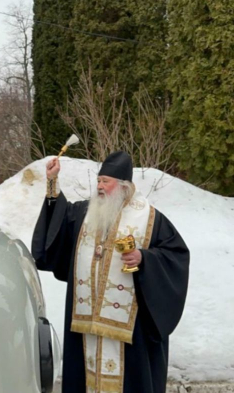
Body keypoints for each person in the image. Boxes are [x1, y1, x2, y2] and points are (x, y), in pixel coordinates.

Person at [32, 151, 189, 393]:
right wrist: (53, 183)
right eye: (98, 181)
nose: (100, 187)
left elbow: (175, 255)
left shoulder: (149, 218)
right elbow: (58, 227)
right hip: (86, 323)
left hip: (128, 327)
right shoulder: (86, 213)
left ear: (124, 187)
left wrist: (144, 258)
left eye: (106, 182)